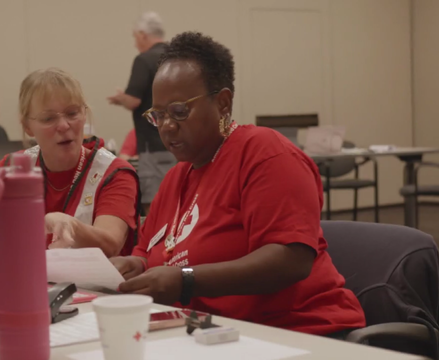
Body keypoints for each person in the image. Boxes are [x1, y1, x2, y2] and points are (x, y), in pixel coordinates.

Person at [110, 32, 366, 338]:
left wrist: (185, 280)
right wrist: (135, 265)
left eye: (179, 112)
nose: (167, 125)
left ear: (223, 102)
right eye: (159, 115)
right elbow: (147, 250)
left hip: (298, 333)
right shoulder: (177, 177)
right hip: (211, 333)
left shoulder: (264, 153)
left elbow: (290, 259)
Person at [0, 68, 140, 257]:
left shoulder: (114, 172)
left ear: (84, 114)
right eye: (48, 118)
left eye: (72, 113)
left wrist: (72, 226)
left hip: (93, 285)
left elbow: (111, 244)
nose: (64, 126)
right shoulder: (12, 167)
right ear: (27, 127)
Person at [108, 12, 176, 214]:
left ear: (143, 34)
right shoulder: (177, 57)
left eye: (135, 37)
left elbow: (134, 100)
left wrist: (121, 99)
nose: (135, 43)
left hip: (153, 145)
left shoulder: (144, 60)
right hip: (181, 142)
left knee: (155, 205)